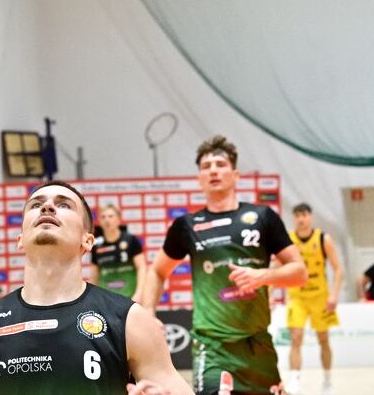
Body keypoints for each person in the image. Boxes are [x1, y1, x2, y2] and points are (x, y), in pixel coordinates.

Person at [0, 180, 188, 394]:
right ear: (20, 239)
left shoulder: (129, 320)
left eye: (64, 205)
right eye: (36, 204)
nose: (47, 207)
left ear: (87, 240)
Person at [137, 136, 307, 395]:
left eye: (220, 164)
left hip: (257, 346)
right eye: (206, 167)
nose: (213, 171)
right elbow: (158, 271)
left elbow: (299, 272)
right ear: (200, 179)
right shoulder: (186, 226)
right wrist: (149, 311)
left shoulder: (262, 217)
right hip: (211, 346)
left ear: (236, 175)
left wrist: (262, 276)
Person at [285, 203, 343, 395]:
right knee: (296, 338)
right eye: (297, 215)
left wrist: (334, 295)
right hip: (297, 296)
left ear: (310, 217)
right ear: (293, 218)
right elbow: (276, 267)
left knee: (323, 339)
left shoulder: (323, 238)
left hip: (320, 296)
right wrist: (269, 293)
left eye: (304, 215)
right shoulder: (288, 239)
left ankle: (327, 380)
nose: (300, 219)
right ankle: (294, 380)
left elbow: (338, 269)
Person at [86, 203, 146, 300]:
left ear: (118, 219)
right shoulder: (96, 244)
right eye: (103, 217)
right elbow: (94, 275)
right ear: (99, 221)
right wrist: (93, 298)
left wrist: (139, 293)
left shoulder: (130, 240)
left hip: (130, 296)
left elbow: (141, 267)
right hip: (106, 299)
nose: (107, 220)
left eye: (110, 216)